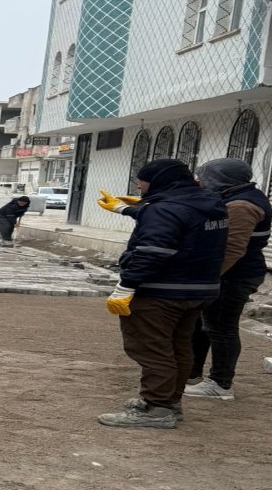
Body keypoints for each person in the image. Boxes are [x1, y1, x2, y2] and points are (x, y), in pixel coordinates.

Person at [95, 159, 229, 429]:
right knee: (179, 346)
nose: (139, 185)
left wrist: (127, 285)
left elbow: (153, 251)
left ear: (160, 180)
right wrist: (127, 209)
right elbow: (179, 224)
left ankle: (157, 408)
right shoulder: (210, 204)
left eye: (142, 180)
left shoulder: (164, 209)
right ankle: (169, 402)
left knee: (151, 348)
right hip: (197, 290)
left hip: (160, 291)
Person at [182, 158, 272, 401]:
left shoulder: (242, 205)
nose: (202, 182)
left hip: (235, 275)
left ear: (222, 179)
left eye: (206, 178)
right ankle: (192, 374)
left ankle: (221, 384)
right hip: (230, 273)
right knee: (203, 325)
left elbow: (233, 248)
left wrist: (208, 277)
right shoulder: (235, 196)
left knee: (221, 327)